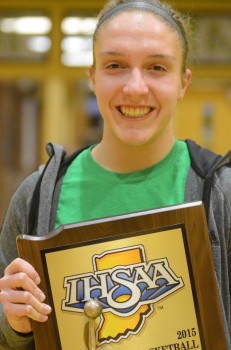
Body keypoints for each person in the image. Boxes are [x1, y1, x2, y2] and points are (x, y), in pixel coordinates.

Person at [0, 0, 230, 349]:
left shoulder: (222, 193)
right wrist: (15, 325)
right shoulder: (38, 196)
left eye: (156, 67)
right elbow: (8, 333)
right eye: (115, 65)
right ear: (93, 77)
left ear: (183, 83)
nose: (135, 88)